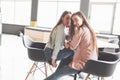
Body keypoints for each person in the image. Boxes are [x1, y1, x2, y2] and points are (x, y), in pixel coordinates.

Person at [44, 11, 98, 80]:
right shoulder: (88, 29)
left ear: (82, 18)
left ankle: (59, 75)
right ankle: (78, 75)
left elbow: (72, 46)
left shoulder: (81, 30)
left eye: (76, 20)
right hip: (92, 63)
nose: (74, 23)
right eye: (73, 20)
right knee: (70, 55)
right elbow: (68, 45)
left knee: (70, 54)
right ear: (62, 18)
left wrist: (67, 44)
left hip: (83, 63)